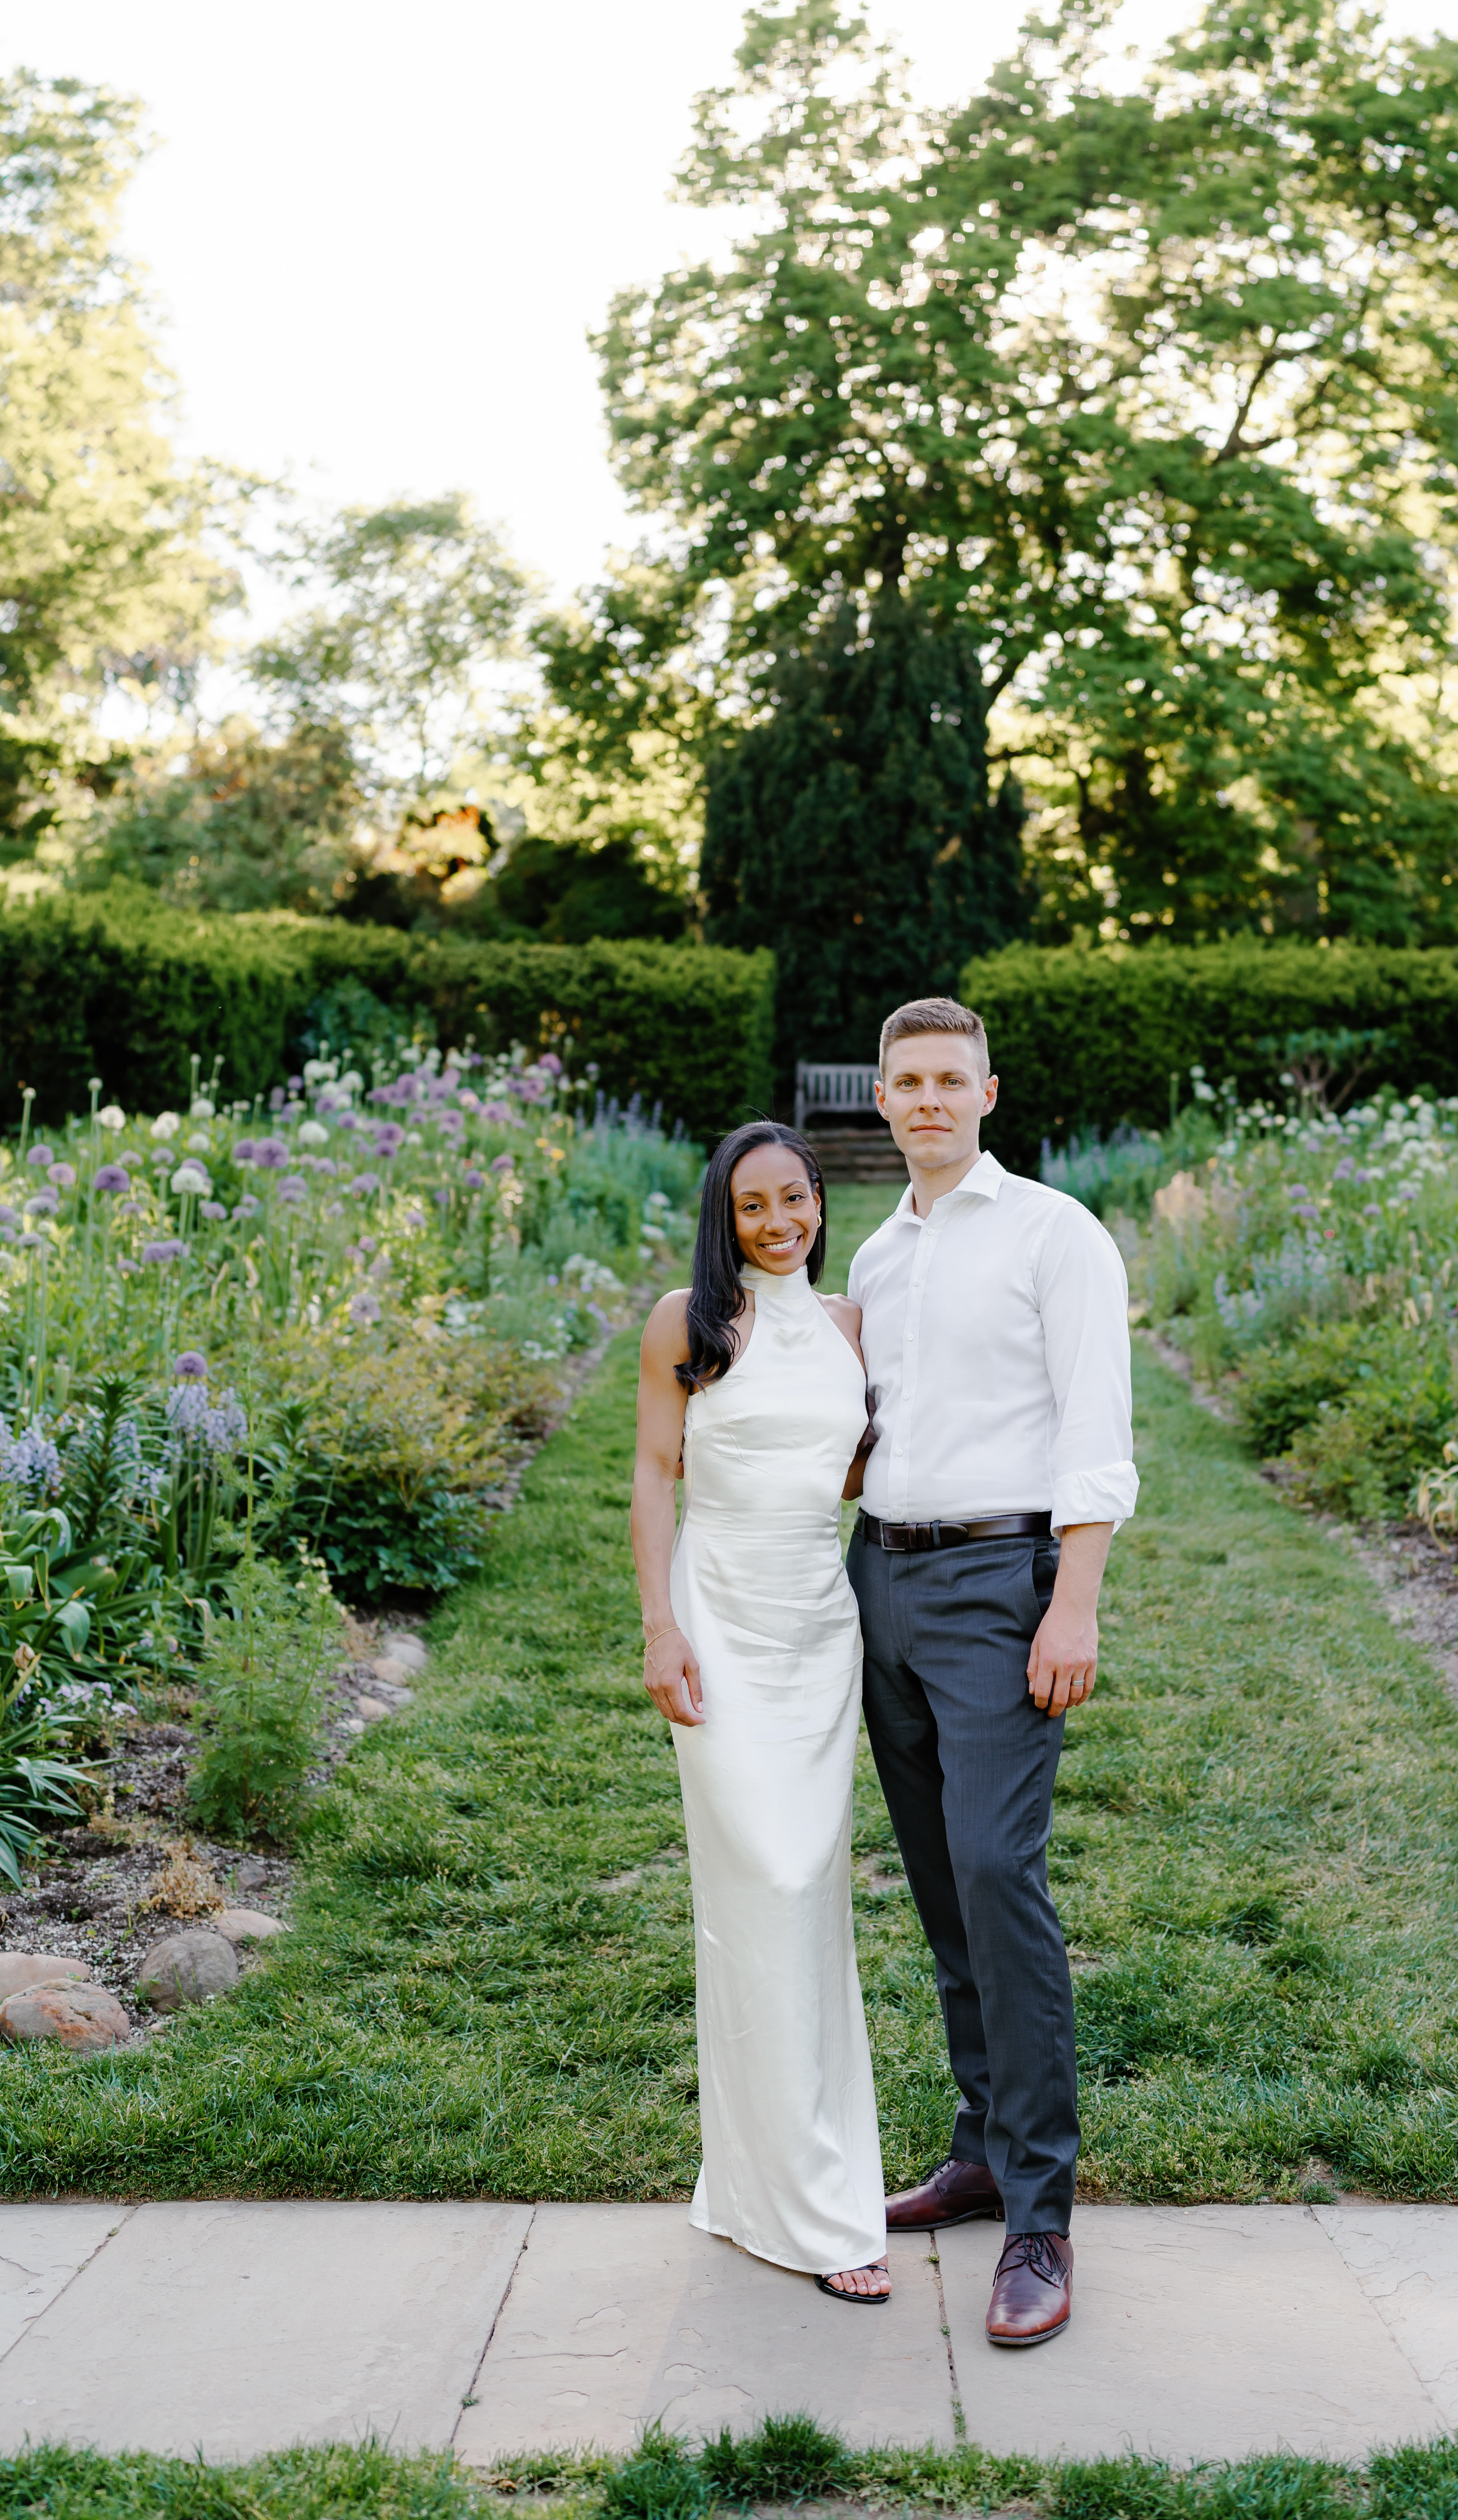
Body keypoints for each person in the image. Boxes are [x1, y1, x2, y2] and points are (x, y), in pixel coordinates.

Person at [847, 997, 1137, 2349]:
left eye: (948, 1080)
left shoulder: (1053, 1234)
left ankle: (1039, 2214)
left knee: (1000, 1874)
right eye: (906, 1082)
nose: (926, 1100)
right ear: (885, 1099)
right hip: (884, 1583)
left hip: (999, 1588)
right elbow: (874, 1432)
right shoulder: (882, 1252)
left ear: (988, 1093)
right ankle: (975, 2150)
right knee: (940, 1878)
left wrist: (1071, 1603)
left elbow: (1094, 1430)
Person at [630, 1122, 890, 2304]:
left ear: (818, 1203)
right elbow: (652, 1474)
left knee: (808, 1897)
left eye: (795, 1201)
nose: (779, 1223)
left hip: (815, 1628)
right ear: (723, 1216)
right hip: (722, 1616)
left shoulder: (847, 1326)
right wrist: (659, 1626)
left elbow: (845, 1468)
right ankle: (808, 2212)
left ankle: (763, 2190)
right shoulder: (688, 1321)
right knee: (759, 1889)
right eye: (754, 1207)